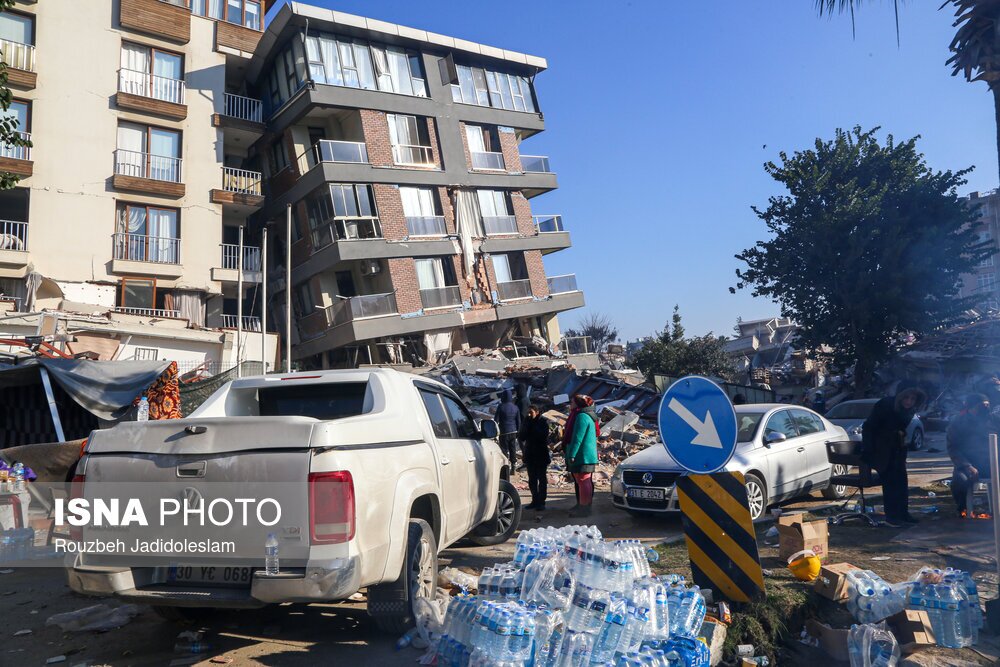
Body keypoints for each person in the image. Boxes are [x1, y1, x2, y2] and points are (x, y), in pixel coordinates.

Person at [861, 386, 927, 527]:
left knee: (902, 482)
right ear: (900, 396)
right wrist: (868, 449)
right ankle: (891, 517)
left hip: (897, 449)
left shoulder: (908, 411)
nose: (909, 401)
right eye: (906, 398)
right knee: (890, 483)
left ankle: (903, 513)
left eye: (912, 399)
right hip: (881, 449)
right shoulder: (885, 405)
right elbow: (868, 427)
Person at [947, 393, 995, 515]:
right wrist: (967, 465)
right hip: (969, 465)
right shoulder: (958, 423)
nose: (985, 408)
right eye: (981, 406)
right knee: (960, 480)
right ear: (971, 407)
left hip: (993, 463)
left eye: (987, 405)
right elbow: (953, 448)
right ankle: (963, 509)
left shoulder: (995, 420)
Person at [565, 394, 599, 517]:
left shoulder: (581, 417)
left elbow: (577, 438)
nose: (570, 404)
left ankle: (584, 509)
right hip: (587, 454)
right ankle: (584, 506)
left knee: (583, 481)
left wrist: (572, 454)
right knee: (585, 481)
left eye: (572, 402)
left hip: (583, 455)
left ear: (578, 404)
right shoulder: (588, 415)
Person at [519, 405, 551, 511]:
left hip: (541, 453)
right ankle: (534, 500)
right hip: (530, 454)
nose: (529, 414)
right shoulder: (526, 421)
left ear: (537, 412)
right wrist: (526, 426)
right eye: (528, 412)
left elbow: (543, 436)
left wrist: (533, 428)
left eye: (531, 412)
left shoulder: (542, 422)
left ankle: (541, 501)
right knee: (532, 479)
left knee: (541, 478)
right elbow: (522, 436)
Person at [494, 389, 521, 466]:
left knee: (504, 449)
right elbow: (518, 421)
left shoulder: (501, 406)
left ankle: (506, 466)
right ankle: (513, 465)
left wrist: (495, 431)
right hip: (513, 431)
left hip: (504, 432)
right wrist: (518, 431)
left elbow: (496, 420)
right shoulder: (516, 407)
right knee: (512, 448)